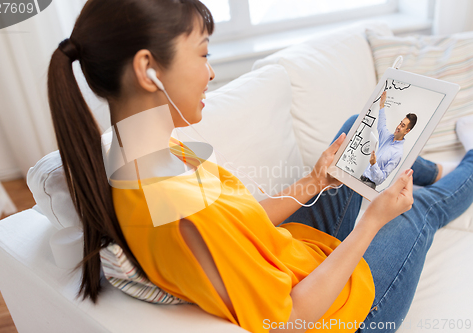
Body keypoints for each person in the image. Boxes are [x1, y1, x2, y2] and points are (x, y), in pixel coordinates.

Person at [46, 1, 473, 332]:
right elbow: (289, 320)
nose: (210, 73)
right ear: (147, 69)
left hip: (292, 254)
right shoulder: (175, 211)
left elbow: (242, 219)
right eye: (202, 54)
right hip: (336, 313)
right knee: (420, 209)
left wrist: (313, 181)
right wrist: (372, 222)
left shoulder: (148, 151)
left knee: (351, 139)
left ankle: (425, 170)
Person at [360, 91, 418, 189]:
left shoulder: (398, 153)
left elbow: (380, 179)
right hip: (361, 179)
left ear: (407, 131)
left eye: (402, 126)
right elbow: (381, 125)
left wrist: (374, 164)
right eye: (400, 123)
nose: (398, 126)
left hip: (368, 186)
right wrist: (382, 105)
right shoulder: (388, 137)